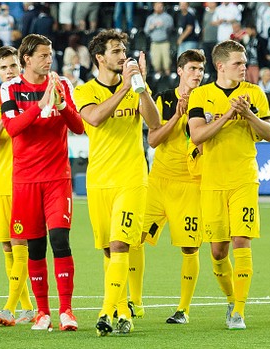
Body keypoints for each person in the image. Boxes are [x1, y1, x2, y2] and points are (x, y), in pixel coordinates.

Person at [73, 29, 161, 336]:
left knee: (120, 243)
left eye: (124, 51)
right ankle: (123, 311)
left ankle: (105, 312)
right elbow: (94, 119)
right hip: (99, 182)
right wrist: (124, 88)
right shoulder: (84, 91)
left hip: (132, 179)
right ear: (100, 58)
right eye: (116, 51)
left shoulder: (135, 87)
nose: (123, 56)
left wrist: (141, 88)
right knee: (110, 252)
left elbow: (154, 124)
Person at [0, 34, 85, 331]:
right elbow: (12, 128)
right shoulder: (10, 87)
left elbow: (78, 127)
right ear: (27, 58)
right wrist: (40, 105)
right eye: (43, 55)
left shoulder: (62, 85)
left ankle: (66, 311)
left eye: (50, 55)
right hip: (25, 181)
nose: (49, 60)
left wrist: (60, 105)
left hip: (57, 178)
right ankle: (43, 312)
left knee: (60, 240)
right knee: (35, 248)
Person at [187, 40, 270, 330]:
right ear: (220, 66)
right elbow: (197, 136)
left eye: (245, 62)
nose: (244, 67)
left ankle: (238, 311)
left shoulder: (255, 94)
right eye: (238, 63)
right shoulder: (200, 95)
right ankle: (230, 297)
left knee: (242, 240)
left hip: (244, 179)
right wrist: (228, 115)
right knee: (218, 252)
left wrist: (248, 114)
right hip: (212, 182)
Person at [144, 49, 205, 325]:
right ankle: (133, 301)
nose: (197, 74)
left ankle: (183, 309)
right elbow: (153, 139)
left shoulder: (209, 100)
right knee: (134, 238)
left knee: (190, 248)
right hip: (158, 181)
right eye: (192, 69)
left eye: (201, 70)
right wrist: (177, 116)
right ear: (180, 71)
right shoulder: (164, 98)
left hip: (191, 184)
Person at [0, 46, 35, 327]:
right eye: (4, 68)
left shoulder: (30, 96)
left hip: (24, 181)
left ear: (21, 65)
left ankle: (9, 307)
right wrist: (5, 118)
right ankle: (27, 307)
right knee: (7, 245)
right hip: (1, 182)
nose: (10, 71)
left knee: (19, 242)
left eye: (13, 65)